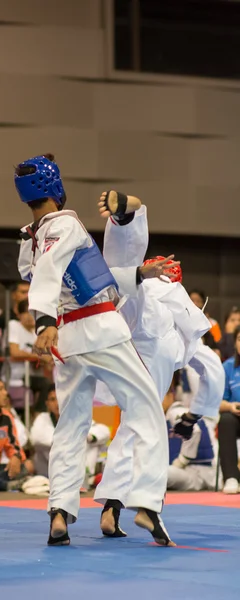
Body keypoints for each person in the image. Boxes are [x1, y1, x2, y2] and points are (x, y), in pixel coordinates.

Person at [15, 153, 176, 547]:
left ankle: (59, 513)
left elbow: (81, 278)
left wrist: (139, 273)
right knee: (146, 410)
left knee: (70, 426)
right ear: (56, 187)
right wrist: (42, 322)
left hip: (68, 340)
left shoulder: (28, 240)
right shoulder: (67, 223)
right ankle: (146, 503)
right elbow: (56, 271)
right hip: (100, 328)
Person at [96, 200, 224, 530]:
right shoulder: (177, 300)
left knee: (130, 430)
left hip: (125, 361)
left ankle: (112, 507)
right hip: (149, 365)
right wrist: (195, 415)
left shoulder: (145, 295)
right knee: (147, 433)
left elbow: (124, 275)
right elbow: (212, 368)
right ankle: (148, 507)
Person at [30, 384, 110, 479]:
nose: (57, 403)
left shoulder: (77, 417)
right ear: (47, 404)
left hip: (77, 468)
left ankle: (85, 477)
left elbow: (105, 432)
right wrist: (70, 439)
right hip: (50, 471)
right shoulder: (43, 418)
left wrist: (88, 437)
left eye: (60, 398)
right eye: (52, 399)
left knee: (89, 441)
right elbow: (36, 438)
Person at [165, 372, 219, 492]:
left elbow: (195, 429)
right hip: (192, 473)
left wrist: (182, 460)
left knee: (158, 473)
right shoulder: (163, 418)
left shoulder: (175, 412)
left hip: (197, 472)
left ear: (171, 396)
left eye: (161, 397)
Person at [8, 299, 51, 412]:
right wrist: (38, 357)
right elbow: (15, 352)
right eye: (26, 312)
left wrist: (44, 361)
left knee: (52, 385)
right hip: (16, 375)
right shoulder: (14, 325)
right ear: (19, 315)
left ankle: (38, 416)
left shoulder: (37, 333)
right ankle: (38, 415)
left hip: (32, 375)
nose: (29, 316)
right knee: (45, 384)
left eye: (33, 313)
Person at [218, 325, 240, 494]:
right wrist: (230, 406)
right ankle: (231, 477)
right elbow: (218, 401)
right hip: (236, 416)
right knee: (225, 420)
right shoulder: (228, 367)